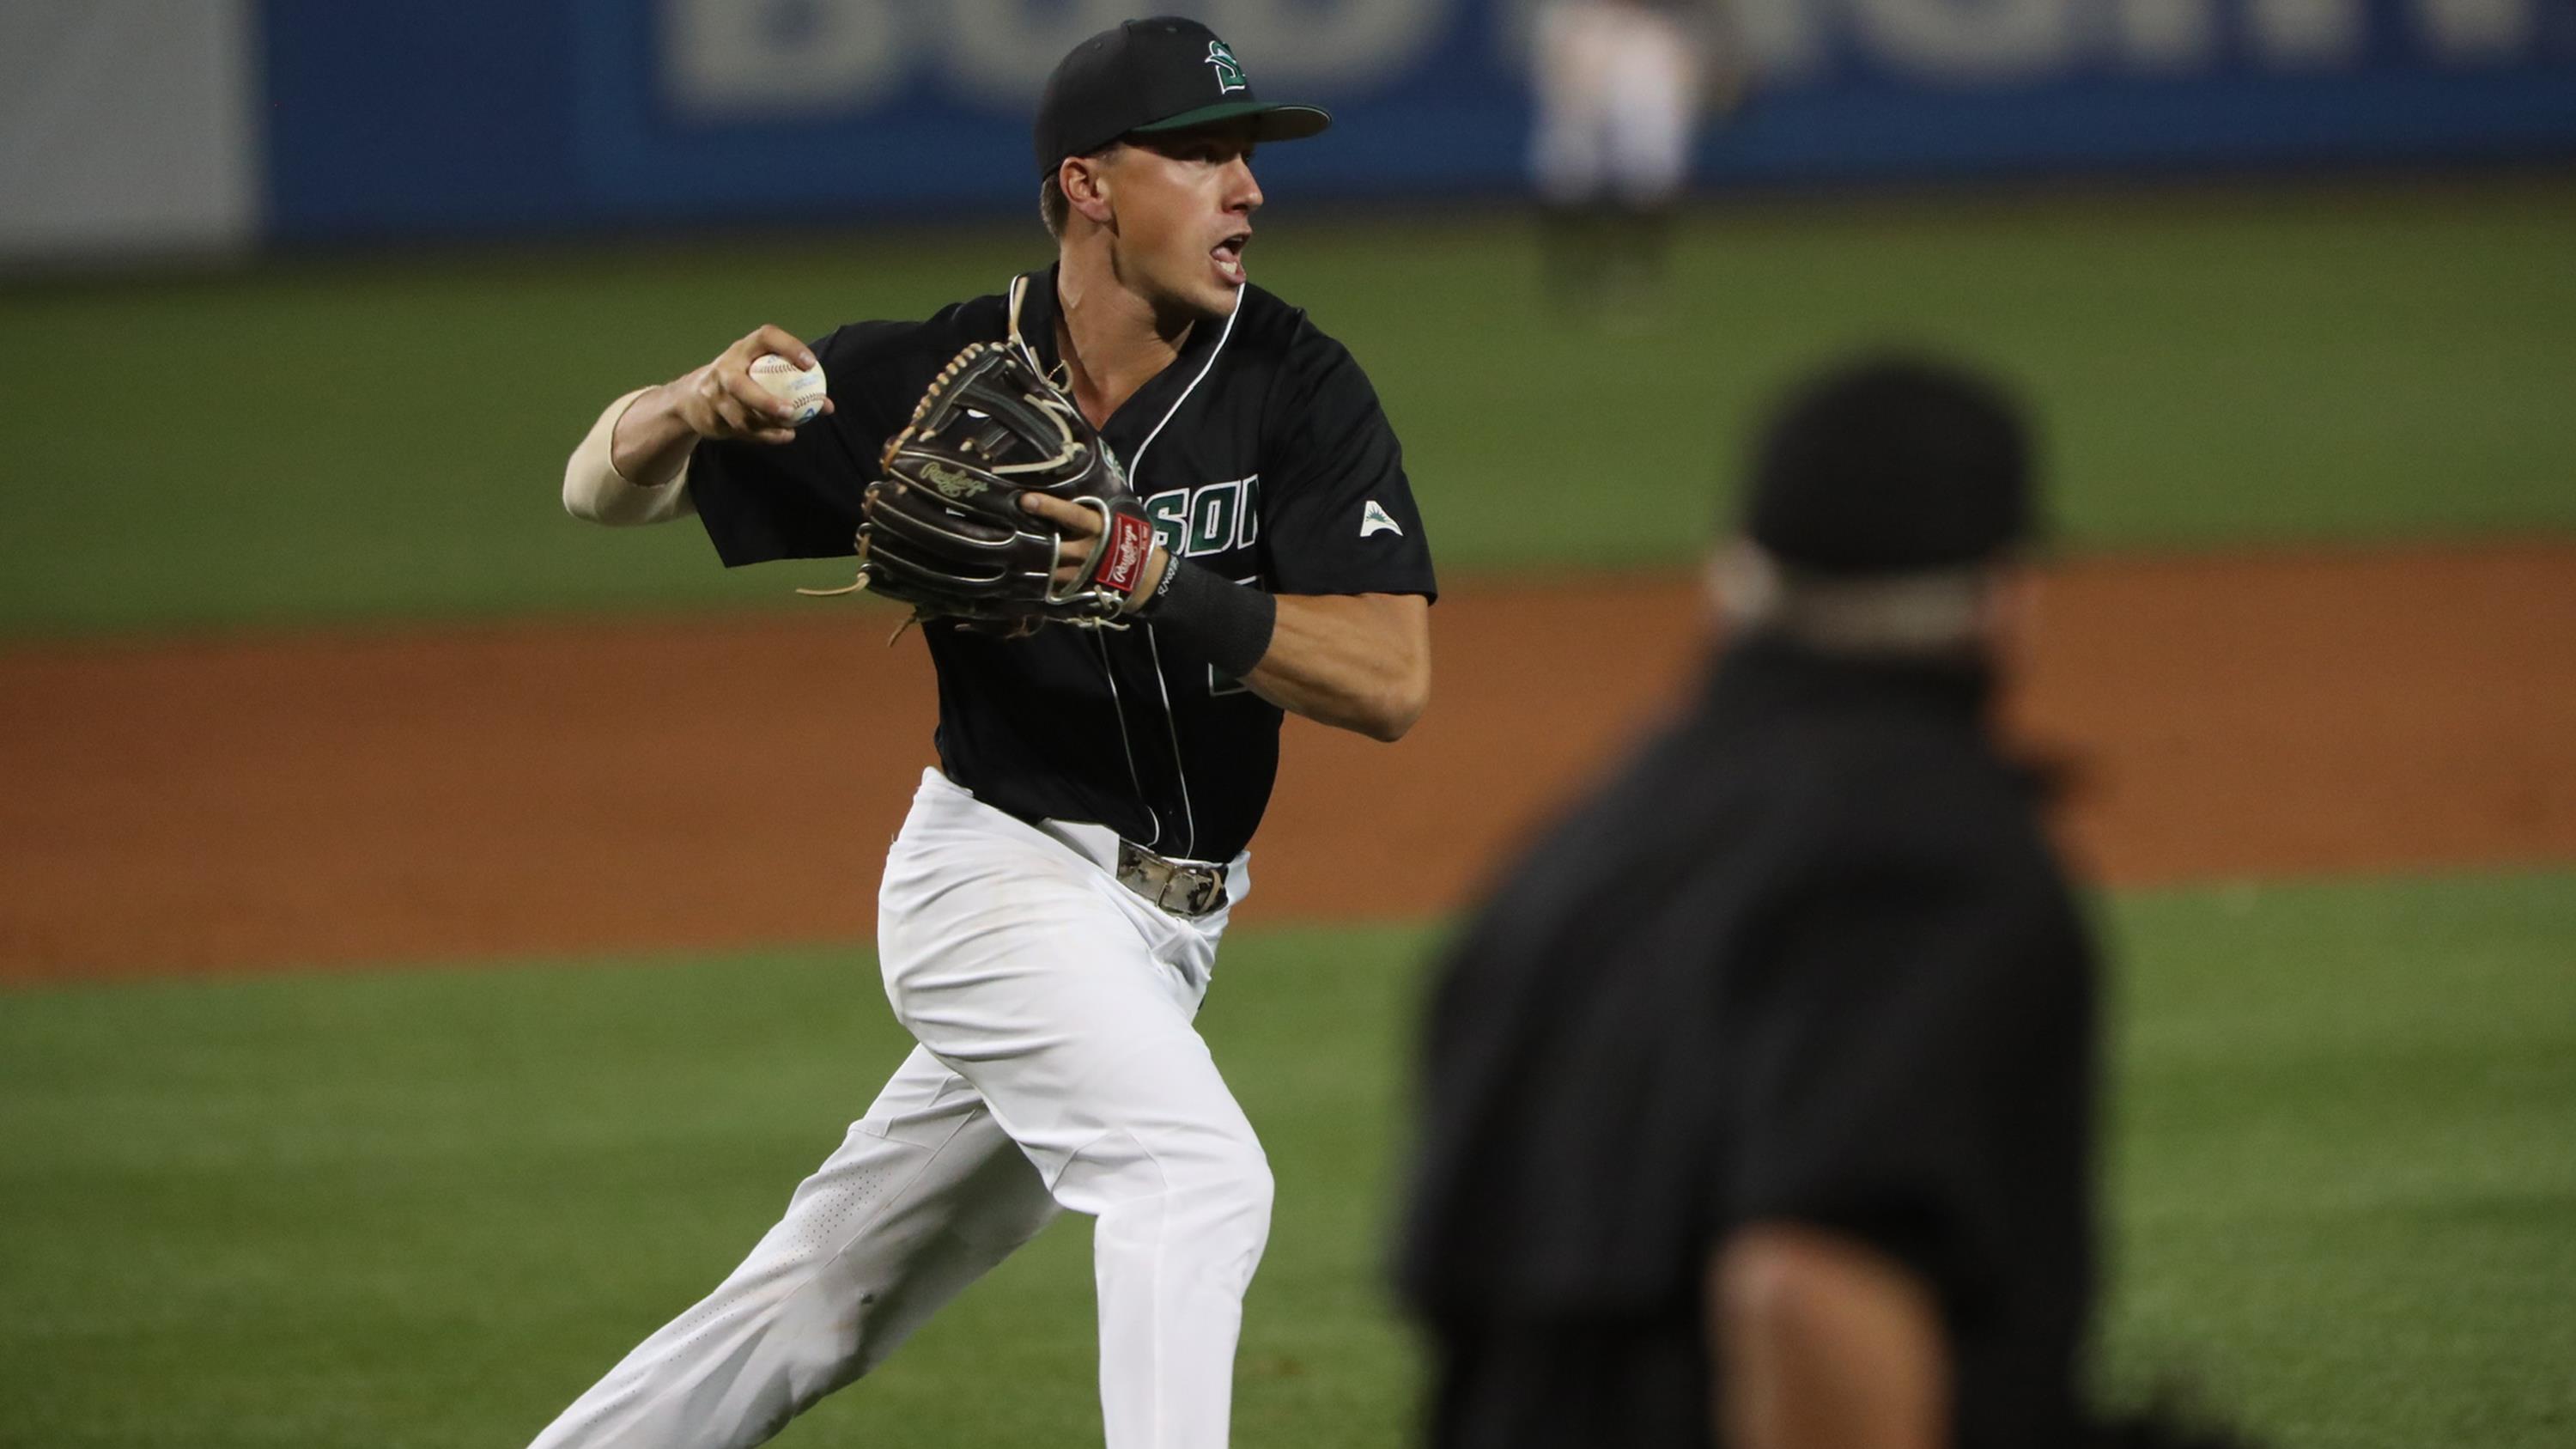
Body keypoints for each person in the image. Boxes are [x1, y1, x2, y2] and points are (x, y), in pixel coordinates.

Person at [537, 16, 1435, 1449]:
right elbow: (602, 490)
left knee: (824, 1298)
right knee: (1194, 1176)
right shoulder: (946, 381)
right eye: (1202, 155)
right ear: (1088, 186)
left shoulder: (1293, 384)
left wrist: (1150, 577)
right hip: (996, 883)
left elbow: (1389, 679)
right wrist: (675, 409)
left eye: (1248, 155)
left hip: (1169, 932)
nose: (1247, 188)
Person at [1397, 358, 2246, 1449]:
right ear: (2007, 598)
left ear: (1736, 576)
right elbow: (1804, 1284)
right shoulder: (1937, 854)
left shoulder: (1580, 850)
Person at [1528, 0, 1746, 314]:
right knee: (1571, 158)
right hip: (1587, 21)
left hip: (1650, 29)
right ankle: (1574, 272)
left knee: (1650, 158)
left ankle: (1638, 270)